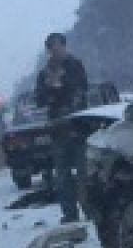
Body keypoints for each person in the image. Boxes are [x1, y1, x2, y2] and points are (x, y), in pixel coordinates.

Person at [32, 31, 90, 220]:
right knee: (62, 176)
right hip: (58, 130)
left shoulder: (75, 66)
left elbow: (82, 88)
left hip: (78, 127)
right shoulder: (44, 73)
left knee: (84, 174)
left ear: (64, 46)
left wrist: (63, 83)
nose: (55, 51)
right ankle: (69, 213)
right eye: (51, 47)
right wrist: (50, 88)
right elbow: (39, 100)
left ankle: (89, 210)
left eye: (58, 46)